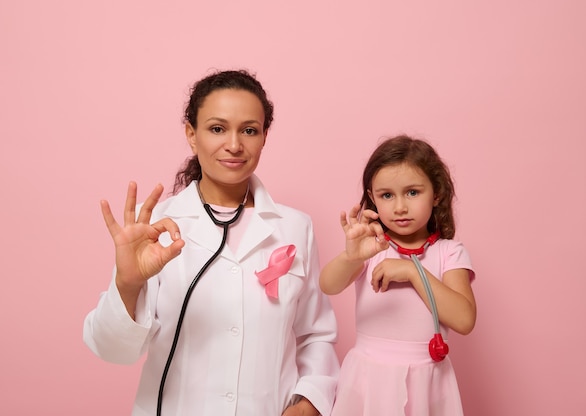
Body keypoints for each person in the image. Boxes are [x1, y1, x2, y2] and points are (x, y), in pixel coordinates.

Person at [83, 69, 339, 416]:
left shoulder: (295, 227)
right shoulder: (155, 227)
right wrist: (128, 283)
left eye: (249, 130)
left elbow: (316, 334)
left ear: (264, 136)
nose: (234, 145)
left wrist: (308, 401)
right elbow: (113, 350)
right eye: (217, 128)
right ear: (191, 135)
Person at [320, 135, 476, 415]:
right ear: (372, 197)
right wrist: (351, 256)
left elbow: (464, 320)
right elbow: (328, 285)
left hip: (428, 383)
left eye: (413, 192)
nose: (400, 207)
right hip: (369, 379)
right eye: (387, 195)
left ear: (436, 193)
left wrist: (412, 272)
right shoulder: (372, 246)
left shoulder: (449, 252)